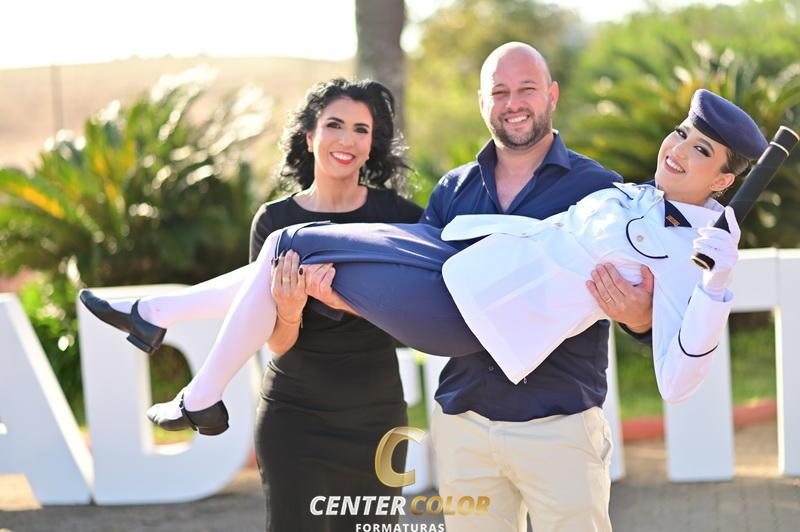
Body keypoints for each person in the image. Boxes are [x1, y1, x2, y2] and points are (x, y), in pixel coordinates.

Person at [143, 79, 761, 532]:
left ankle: (189, 373)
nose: (678, 149)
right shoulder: (621, 194)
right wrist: (346, 297)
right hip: (462, 286)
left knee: (293, 244)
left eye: (701, 150)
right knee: (289, 242)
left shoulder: (690, 250)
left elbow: (678, 378)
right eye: (682, 133)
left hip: (506, 352)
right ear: (484, 101)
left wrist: (714, 286)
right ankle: (163, 326)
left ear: (723, 181)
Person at [81, 78, 423, 532]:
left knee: (286, 249)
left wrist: (339, 297)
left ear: (371, 145)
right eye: (334, 125)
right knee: (281, 250)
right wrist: (290, 309)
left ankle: (159, 321)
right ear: (309, 136)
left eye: (361, 129)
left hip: (376, 418)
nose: (347, 139)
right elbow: (277, 342)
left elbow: (410, 319)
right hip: (296, 418)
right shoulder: (275, 218)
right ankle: (167, 334)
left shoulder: (400, 218)